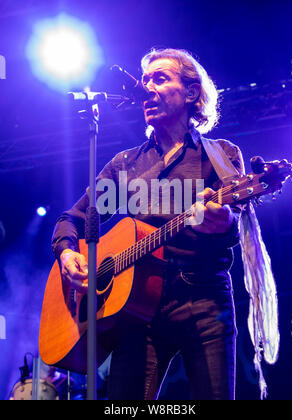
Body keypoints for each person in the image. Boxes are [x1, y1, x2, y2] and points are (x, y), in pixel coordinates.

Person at [51, 48, 245, 400]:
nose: (147, 88)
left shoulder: (221, 154)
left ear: (190, 94)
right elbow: (72, 219)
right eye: (145, 81)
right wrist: (67, 254)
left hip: (203, 302)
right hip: (137, 308)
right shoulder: (124, 164)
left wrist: (222, 222)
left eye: (160, 78)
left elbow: (237, 227)